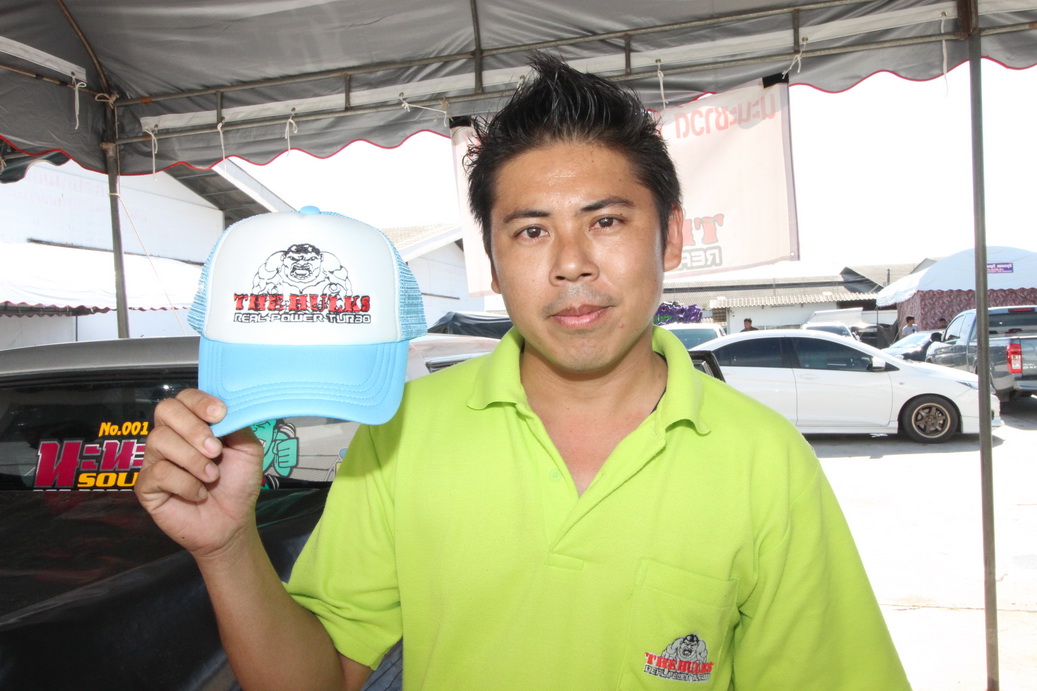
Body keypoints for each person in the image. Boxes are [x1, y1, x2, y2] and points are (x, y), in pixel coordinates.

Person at [135, 53, 909, 689]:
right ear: (493, 263)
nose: (571, 263)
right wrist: (226, 548)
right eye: (532, 231)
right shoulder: (403, 430)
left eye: (606, 220)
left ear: (670, 238)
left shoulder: (763, 459)